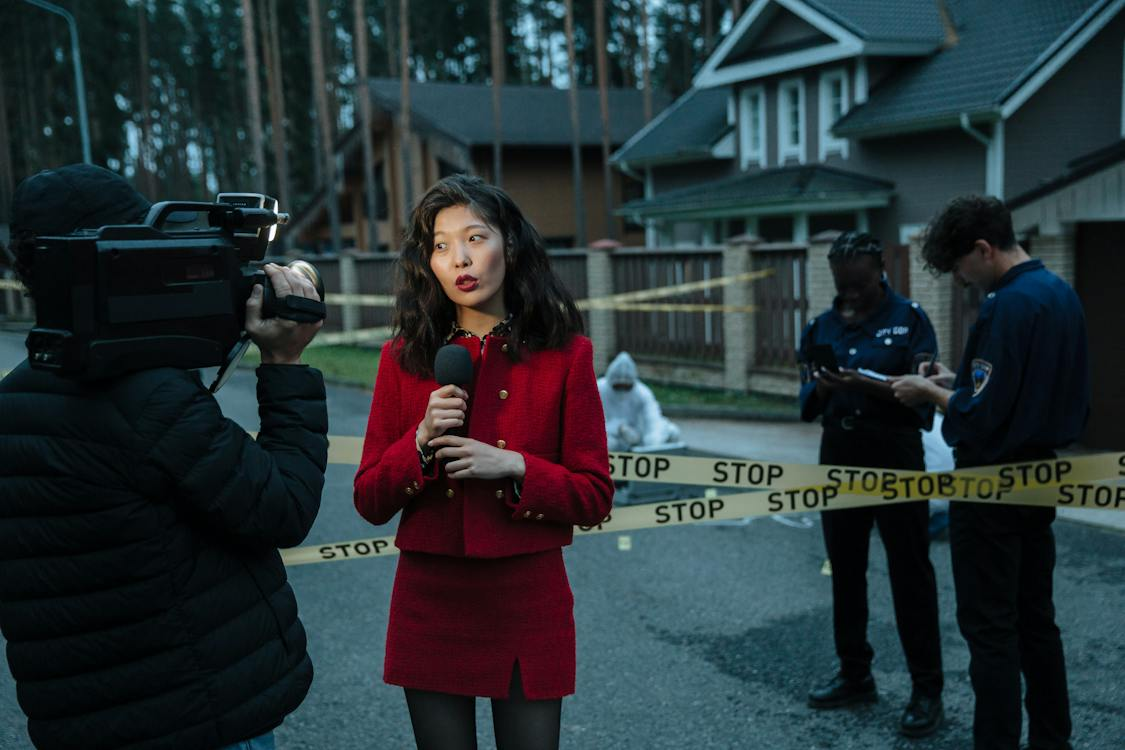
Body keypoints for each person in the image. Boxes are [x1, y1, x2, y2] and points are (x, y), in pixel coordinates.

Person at [0, 164, 328, 750]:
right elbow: (281, 507)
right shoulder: (146, 398)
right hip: (196, 716)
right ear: (110, 256)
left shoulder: (14, 400)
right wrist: (285, 365)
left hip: (79, 720)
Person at [353, 174, 613, 750]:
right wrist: (420, 440)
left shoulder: (566, 355)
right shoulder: (402, 358)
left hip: (527, 598)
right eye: (441, 245)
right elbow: (369, 499)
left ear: (510, 245)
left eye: (475, 238)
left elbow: (594, 496)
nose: (460, 259)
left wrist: (516, 466)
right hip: (430, 598)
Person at [892, 195, 1088, 750]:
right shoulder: (1060, 294)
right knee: (1037, 621)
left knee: (991, 630)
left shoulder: (1005, 306)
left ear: (983, 249)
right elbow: (1016, 390)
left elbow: (980, 415)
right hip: (1039, 475)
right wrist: (957, 382)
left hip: (988, 482)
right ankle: (1052, 740)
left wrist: (929, 391)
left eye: (960, 267)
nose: (961, 280)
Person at [796, 230, 944, 738]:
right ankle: (855, 673)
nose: (851, 296)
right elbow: (804, 404)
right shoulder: (820, 326)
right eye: (843, 287)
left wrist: (862, 382)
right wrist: (822, 387)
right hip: (839, 452)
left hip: (894, 453)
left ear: (881, 270)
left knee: (910, 572)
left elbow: (922, 399)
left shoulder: (910, 320)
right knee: (846, 569)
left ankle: (927, 690)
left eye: (860, 285)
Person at [598, 350, 682, 451]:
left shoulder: (642, 393)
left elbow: (653, 418)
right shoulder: (599, 389)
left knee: (673, 432)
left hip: (638, 438)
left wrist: (653, 442)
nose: (622, 391)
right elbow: (589, 421)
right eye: (618, 386)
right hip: (609, 436)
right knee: (608, 443)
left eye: (626, 387)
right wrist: (618, 428)